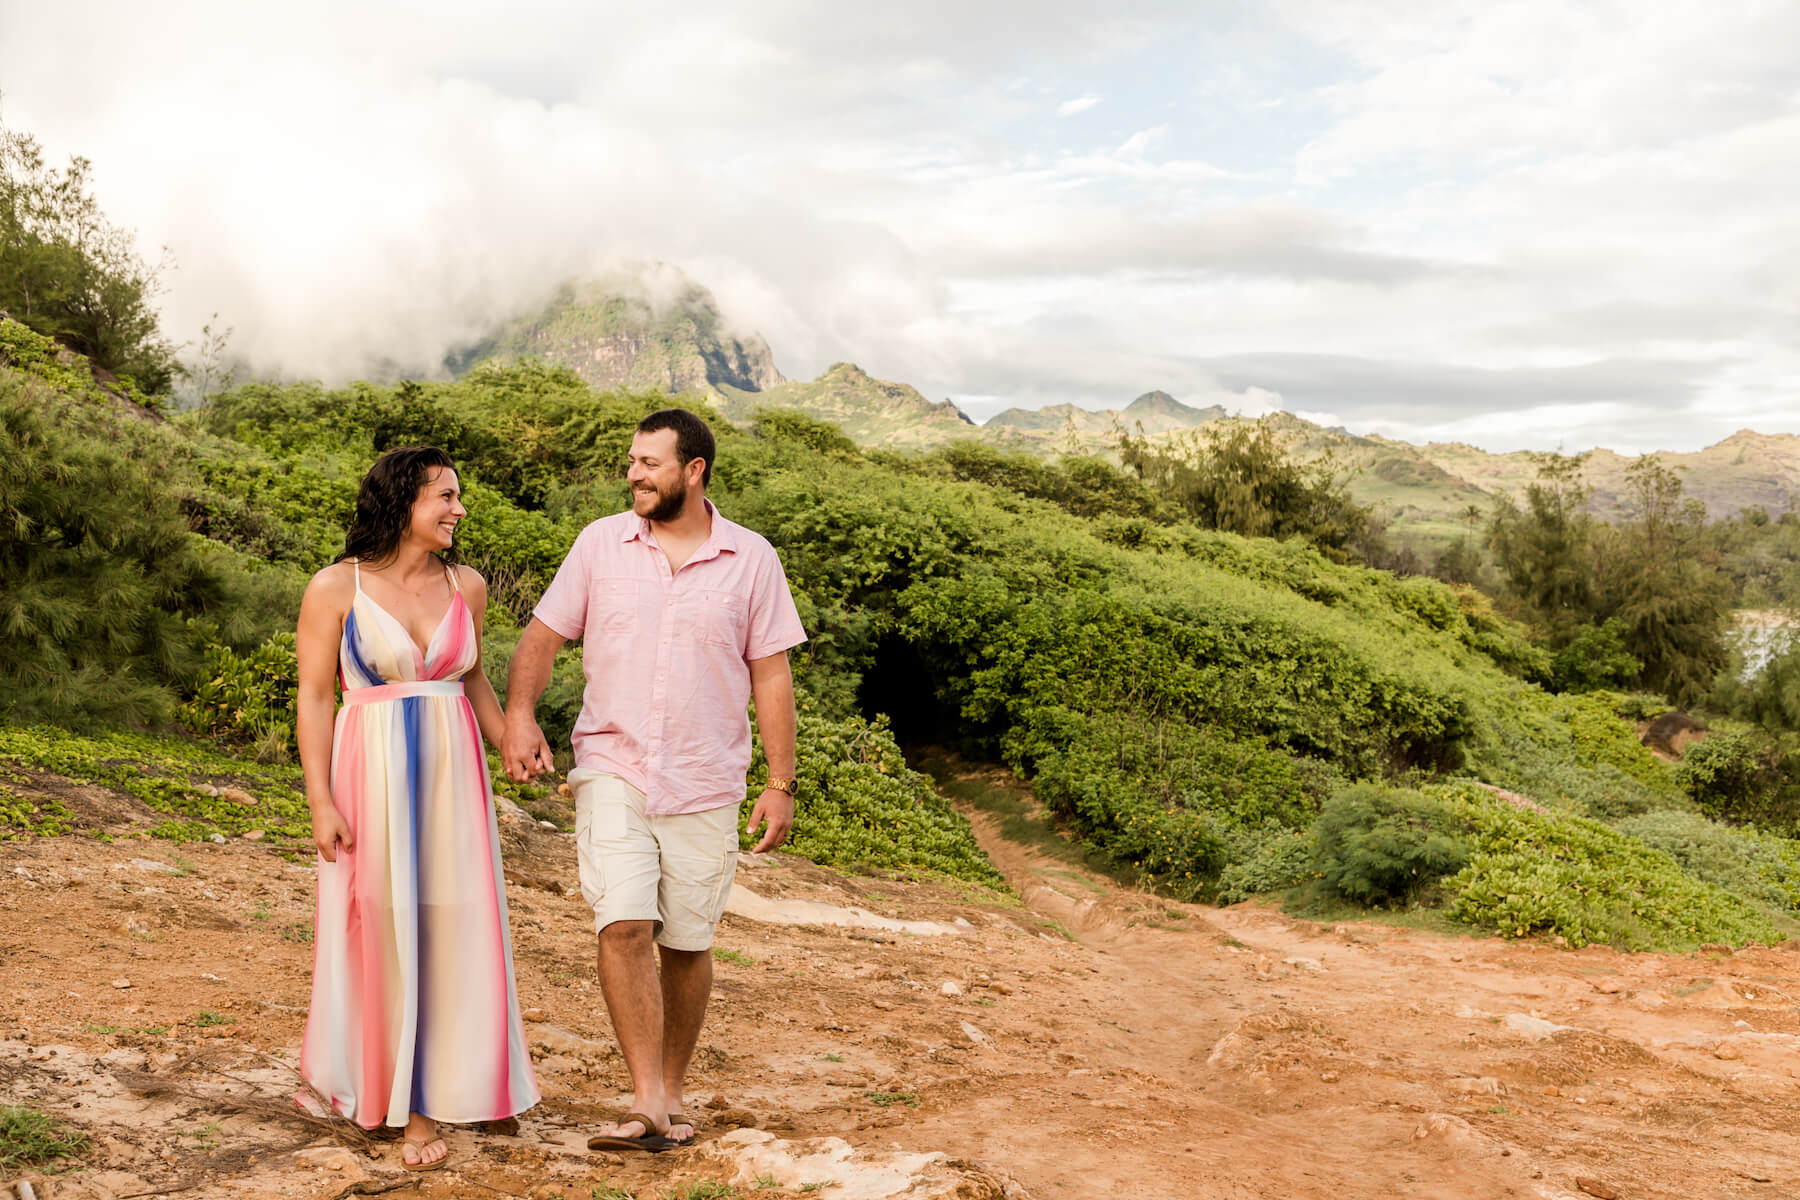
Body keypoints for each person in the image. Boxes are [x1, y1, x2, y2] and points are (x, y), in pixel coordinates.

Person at [502, 408, 805, 1153]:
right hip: (613, 764)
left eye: (650, 463)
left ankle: (670, 1090)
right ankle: (645, 1100)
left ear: (693, 471)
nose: (633, 474)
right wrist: (519, 715)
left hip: (706, 777)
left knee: (689, 942)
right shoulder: (600, 544)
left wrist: (781, 782)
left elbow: (771, 673)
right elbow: (542, 636)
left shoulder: (752, 558)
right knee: (624, 922)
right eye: (632, 461)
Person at [295, 445, 540, 1171]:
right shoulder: (335, 587)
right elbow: (315, 696)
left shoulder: (468, 585)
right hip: (367, 773)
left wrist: (509, 741)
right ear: (403, 502)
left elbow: (473, 679)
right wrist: (320, 800)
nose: (459, 510)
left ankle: (447, 1093)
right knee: (378, 924)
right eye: (445, 497)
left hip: (453, 778)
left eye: (457, 497)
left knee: (450, 923)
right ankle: (387, 1093)